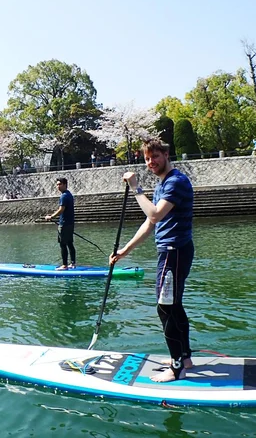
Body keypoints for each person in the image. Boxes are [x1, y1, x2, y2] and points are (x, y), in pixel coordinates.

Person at [109, 139, 195, 383]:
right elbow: (151, 223)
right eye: (147, 159)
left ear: (166, 154)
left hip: (174, 251)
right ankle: (185, 357)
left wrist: (136, 187)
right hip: (170, 252)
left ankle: (177, 366)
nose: (151, 162)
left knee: (165, 307)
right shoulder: (162, 186)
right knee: (173, 305)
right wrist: (124, 250)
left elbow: (154, 213)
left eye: (155, 156)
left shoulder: (176, 182)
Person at [44, 177, 75, 270]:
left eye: (59, 184)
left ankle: (64, 265)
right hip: (70, 223)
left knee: (63, 244)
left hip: (64, 224)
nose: (58, 186)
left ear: (65, 185)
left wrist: (51, 217)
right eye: (57, 184)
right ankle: (73, 264)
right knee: (70, 243)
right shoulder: (69, 194)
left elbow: (61, 209)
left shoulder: (64, 196)